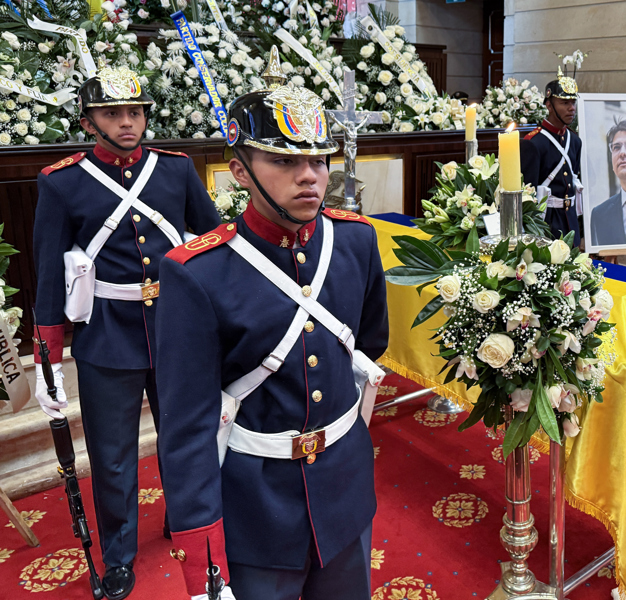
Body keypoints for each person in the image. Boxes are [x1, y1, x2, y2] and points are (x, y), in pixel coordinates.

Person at [155, 51, 389, 600]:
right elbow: (186, 426)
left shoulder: (355, 241)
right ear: (240, 170)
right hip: (256, 507)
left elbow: (369, 345)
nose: (309, 176)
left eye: (318, 159)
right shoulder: (197, 272)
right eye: (285, 161)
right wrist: (203, 551)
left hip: (345, 489)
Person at [32, 66, 221, 599]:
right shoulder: (61, 181)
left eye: (134, 112)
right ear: (90, 121)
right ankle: (118, 553)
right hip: (106, 334)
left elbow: (211, 244)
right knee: (113, 456)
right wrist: (48, 353)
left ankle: (188, 521)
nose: (127, 122)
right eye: (113, 113)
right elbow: (49, 270)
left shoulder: (176, 170)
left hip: (177, 331)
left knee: (185, 438)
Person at [521, 66, 583, 247]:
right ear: (549, 105)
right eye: (564, 103)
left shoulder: (575, 140)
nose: (571, 108)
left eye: (573, 102)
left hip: (570, 221)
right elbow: (527, 194)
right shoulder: (533, 142)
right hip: (546, 224)